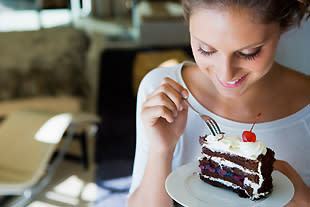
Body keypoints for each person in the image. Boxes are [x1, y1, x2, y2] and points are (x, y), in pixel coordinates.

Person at [127, 0, 310, 206]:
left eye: (249, 53)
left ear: (283, 25)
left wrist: (305, 199)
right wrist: (161, 150)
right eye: (206, 49)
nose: (225, 74)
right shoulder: (159, 91)